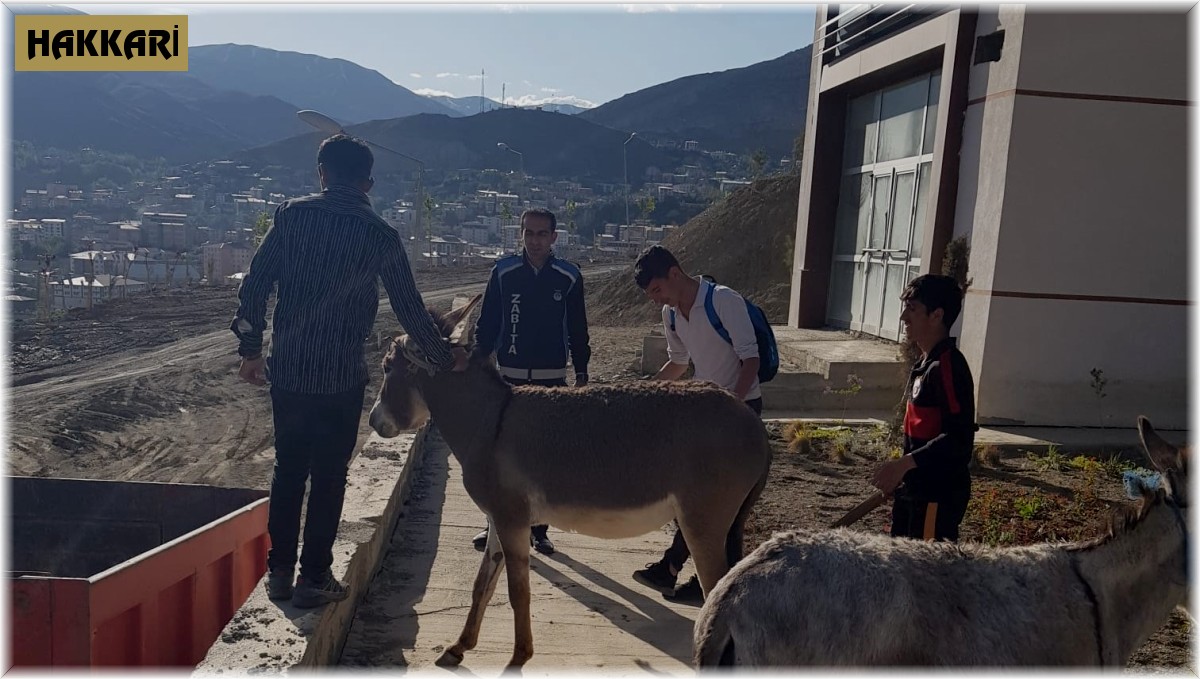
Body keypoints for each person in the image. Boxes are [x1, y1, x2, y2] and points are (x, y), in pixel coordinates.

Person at [231, 134, 468, 608]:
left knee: (288, 470)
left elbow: (255, 287)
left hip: (291, 370)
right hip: (340, 375)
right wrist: (446, 359)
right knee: (330, 475)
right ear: (368, 183)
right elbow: (410, 310)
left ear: (322, 174)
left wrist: (252, 351)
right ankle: (314, 576)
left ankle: (278, 573)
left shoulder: (291, 217)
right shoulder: (380, 235)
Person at [629, 244, 761, 604]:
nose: (656, 300)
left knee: (717, 507)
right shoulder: (671, 316)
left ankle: (679, 572)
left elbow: (751, 358)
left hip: (739, 413)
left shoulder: (724, 301)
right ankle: (708, 586)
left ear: (675, 273)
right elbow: (679, 364)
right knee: (708, 505)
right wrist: (643, 393)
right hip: (704, 415)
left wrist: (732, 404)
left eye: (657, 290)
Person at [470, 207, 592, 555]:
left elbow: (579, 329)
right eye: (529, 233)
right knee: (500, 457)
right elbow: (488, 324)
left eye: (542, 234)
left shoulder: (568, 277)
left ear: (554, 237)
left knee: (544, 459)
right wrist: (480, 362)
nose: (535, 240)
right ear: (520, 235)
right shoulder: (503, 272)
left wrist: (581, 372)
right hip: (508, 381)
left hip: (552, 381)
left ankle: (539, 530)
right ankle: (494, 525)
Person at [871, 274, 976, 542]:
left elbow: (959, 439)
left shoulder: (948, 367)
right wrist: (904, 472)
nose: (903, 317)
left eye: (912, 308)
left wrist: (904, 465)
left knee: (927, 577)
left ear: (936, 315)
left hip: (937, 497)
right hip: (914, 493)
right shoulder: (924, 366)